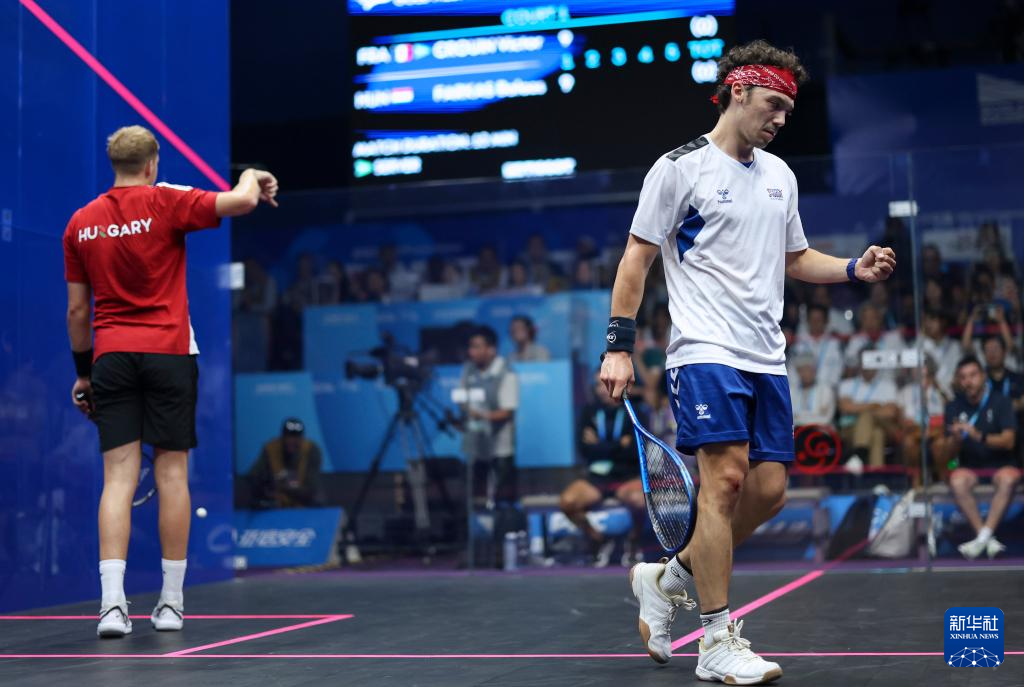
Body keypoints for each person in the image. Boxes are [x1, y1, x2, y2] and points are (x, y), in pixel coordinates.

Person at [599, 40, 895, 684]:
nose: (782, 118)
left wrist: (853, 268)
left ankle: (667, 578)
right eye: (773, 104)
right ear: (738, 90)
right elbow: (636, 259)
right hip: (705, 351)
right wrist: (618, 345)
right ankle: (716, 641)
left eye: (789, 108)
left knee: (768, 492)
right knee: (725, 482)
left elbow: (796, 259)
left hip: (766, 357)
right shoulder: (679, 169)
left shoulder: (779, 175)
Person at [64, 125, 278, 637]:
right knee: (172, 476)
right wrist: (252, 175)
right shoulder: (168, 200)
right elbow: (242, 201)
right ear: (152, 163)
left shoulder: (80, 222)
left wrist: (84, 373)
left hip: (111, 358)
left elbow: (77, 311)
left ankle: (111, 607)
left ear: (114, 164)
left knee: (118, 479)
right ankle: (171, 604)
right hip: (169, 354)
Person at [934, 357, 1020, 559]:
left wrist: (978, 436)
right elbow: (948, 456)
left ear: (983, 376)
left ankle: (982, 537)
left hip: (1001, 465)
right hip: (970, 467)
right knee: (957, 480)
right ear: (959, 381)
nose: (968, 381)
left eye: (973, 375)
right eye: (963, 377)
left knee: (1009, 478)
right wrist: (955, 440)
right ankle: (985, 537)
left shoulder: (1001, 401)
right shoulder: (953, 406)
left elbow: (1009, 441)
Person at [559, 374, 647, 567]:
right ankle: (598, 539)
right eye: (597, 385)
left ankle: (633, 541)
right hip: (597, 477)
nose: (601, 390)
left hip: (626, 476)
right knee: (568, 502)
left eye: (605, 384)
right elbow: (584, 449)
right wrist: (619, 445)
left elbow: (635, 451)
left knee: (640, 501)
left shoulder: (635, 411)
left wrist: (600, 445)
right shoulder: (588, 412)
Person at [458, 326, 519, 508]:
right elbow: (462, 400)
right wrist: (465, 412)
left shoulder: (506, 373)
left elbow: (507, 412)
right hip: (476, 444)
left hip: (500, 447)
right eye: (471, 347)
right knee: (477, 496)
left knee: (501, 498)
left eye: (477, 347)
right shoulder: (468, 370)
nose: (472, 352)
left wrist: (481, 415)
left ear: (491, 349)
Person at [837, 358, 900, 471]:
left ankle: (859, 455)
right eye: (865, 364)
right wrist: (874, 405)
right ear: (860, 366)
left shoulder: (888, 385)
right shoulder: (847, 384)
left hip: (884, 426)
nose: (868, 368)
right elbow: (846, 407)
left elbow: (890, 412)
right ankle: (876, 476)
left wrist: (858, 407)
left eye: (871, 364)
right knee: (877, 434)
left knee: (867, 416)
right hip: (851, 429)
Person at [247, 418, 324, 509]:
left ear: (302, 438)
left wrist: (282, 487)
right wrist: (267, 486)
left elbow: (311, 489)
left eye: (296, 437)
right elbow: (254, 477)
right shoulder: (271, 449)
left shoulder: (311, 450)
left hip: (303, 506)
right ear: (282, 437)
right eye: (289, 436)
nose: (292, 441)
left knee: (318, 499)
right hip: (275, 506)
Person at [789, 303, 843, 387]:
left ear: (826, 321)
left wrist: (828, 389)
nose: (815, 323)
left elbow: (839, 369)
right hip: (802, 390)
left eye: (819, 319)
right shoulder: (798, 344)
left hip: (828, 390)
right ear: (807, 320)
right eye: (812, 319)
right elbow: (792, 371)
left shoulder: (835, 344)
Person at [788, 353, 836, 429]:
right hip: (796, 431)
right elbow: (788, 418)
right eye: (802, 370)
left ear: (815, 370)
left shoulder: (826, 390)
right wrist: (813, 416)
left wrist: (800, 417)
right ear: (798, 372)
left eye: (808, 369)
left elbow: (826, 418)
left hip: (819, 431)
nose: (805, 373)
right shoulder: (791, 391)